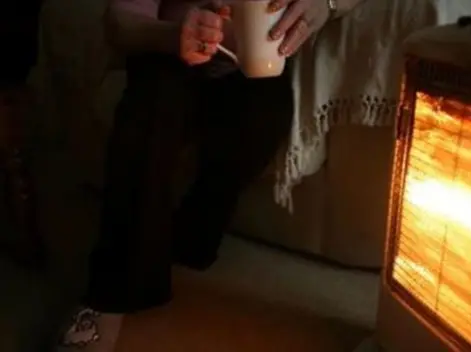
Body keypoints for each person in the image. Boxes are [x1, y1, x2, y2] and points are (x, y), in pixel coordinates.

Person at [56, 0, 366, 349]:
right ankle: (107, 296)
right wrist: (175, 35)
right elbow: (118, 23)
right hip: (168, 55)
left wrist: (327, 3)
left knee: (266, 112)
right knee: (155, 99)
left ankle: (189, 235)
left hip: (250, 70)